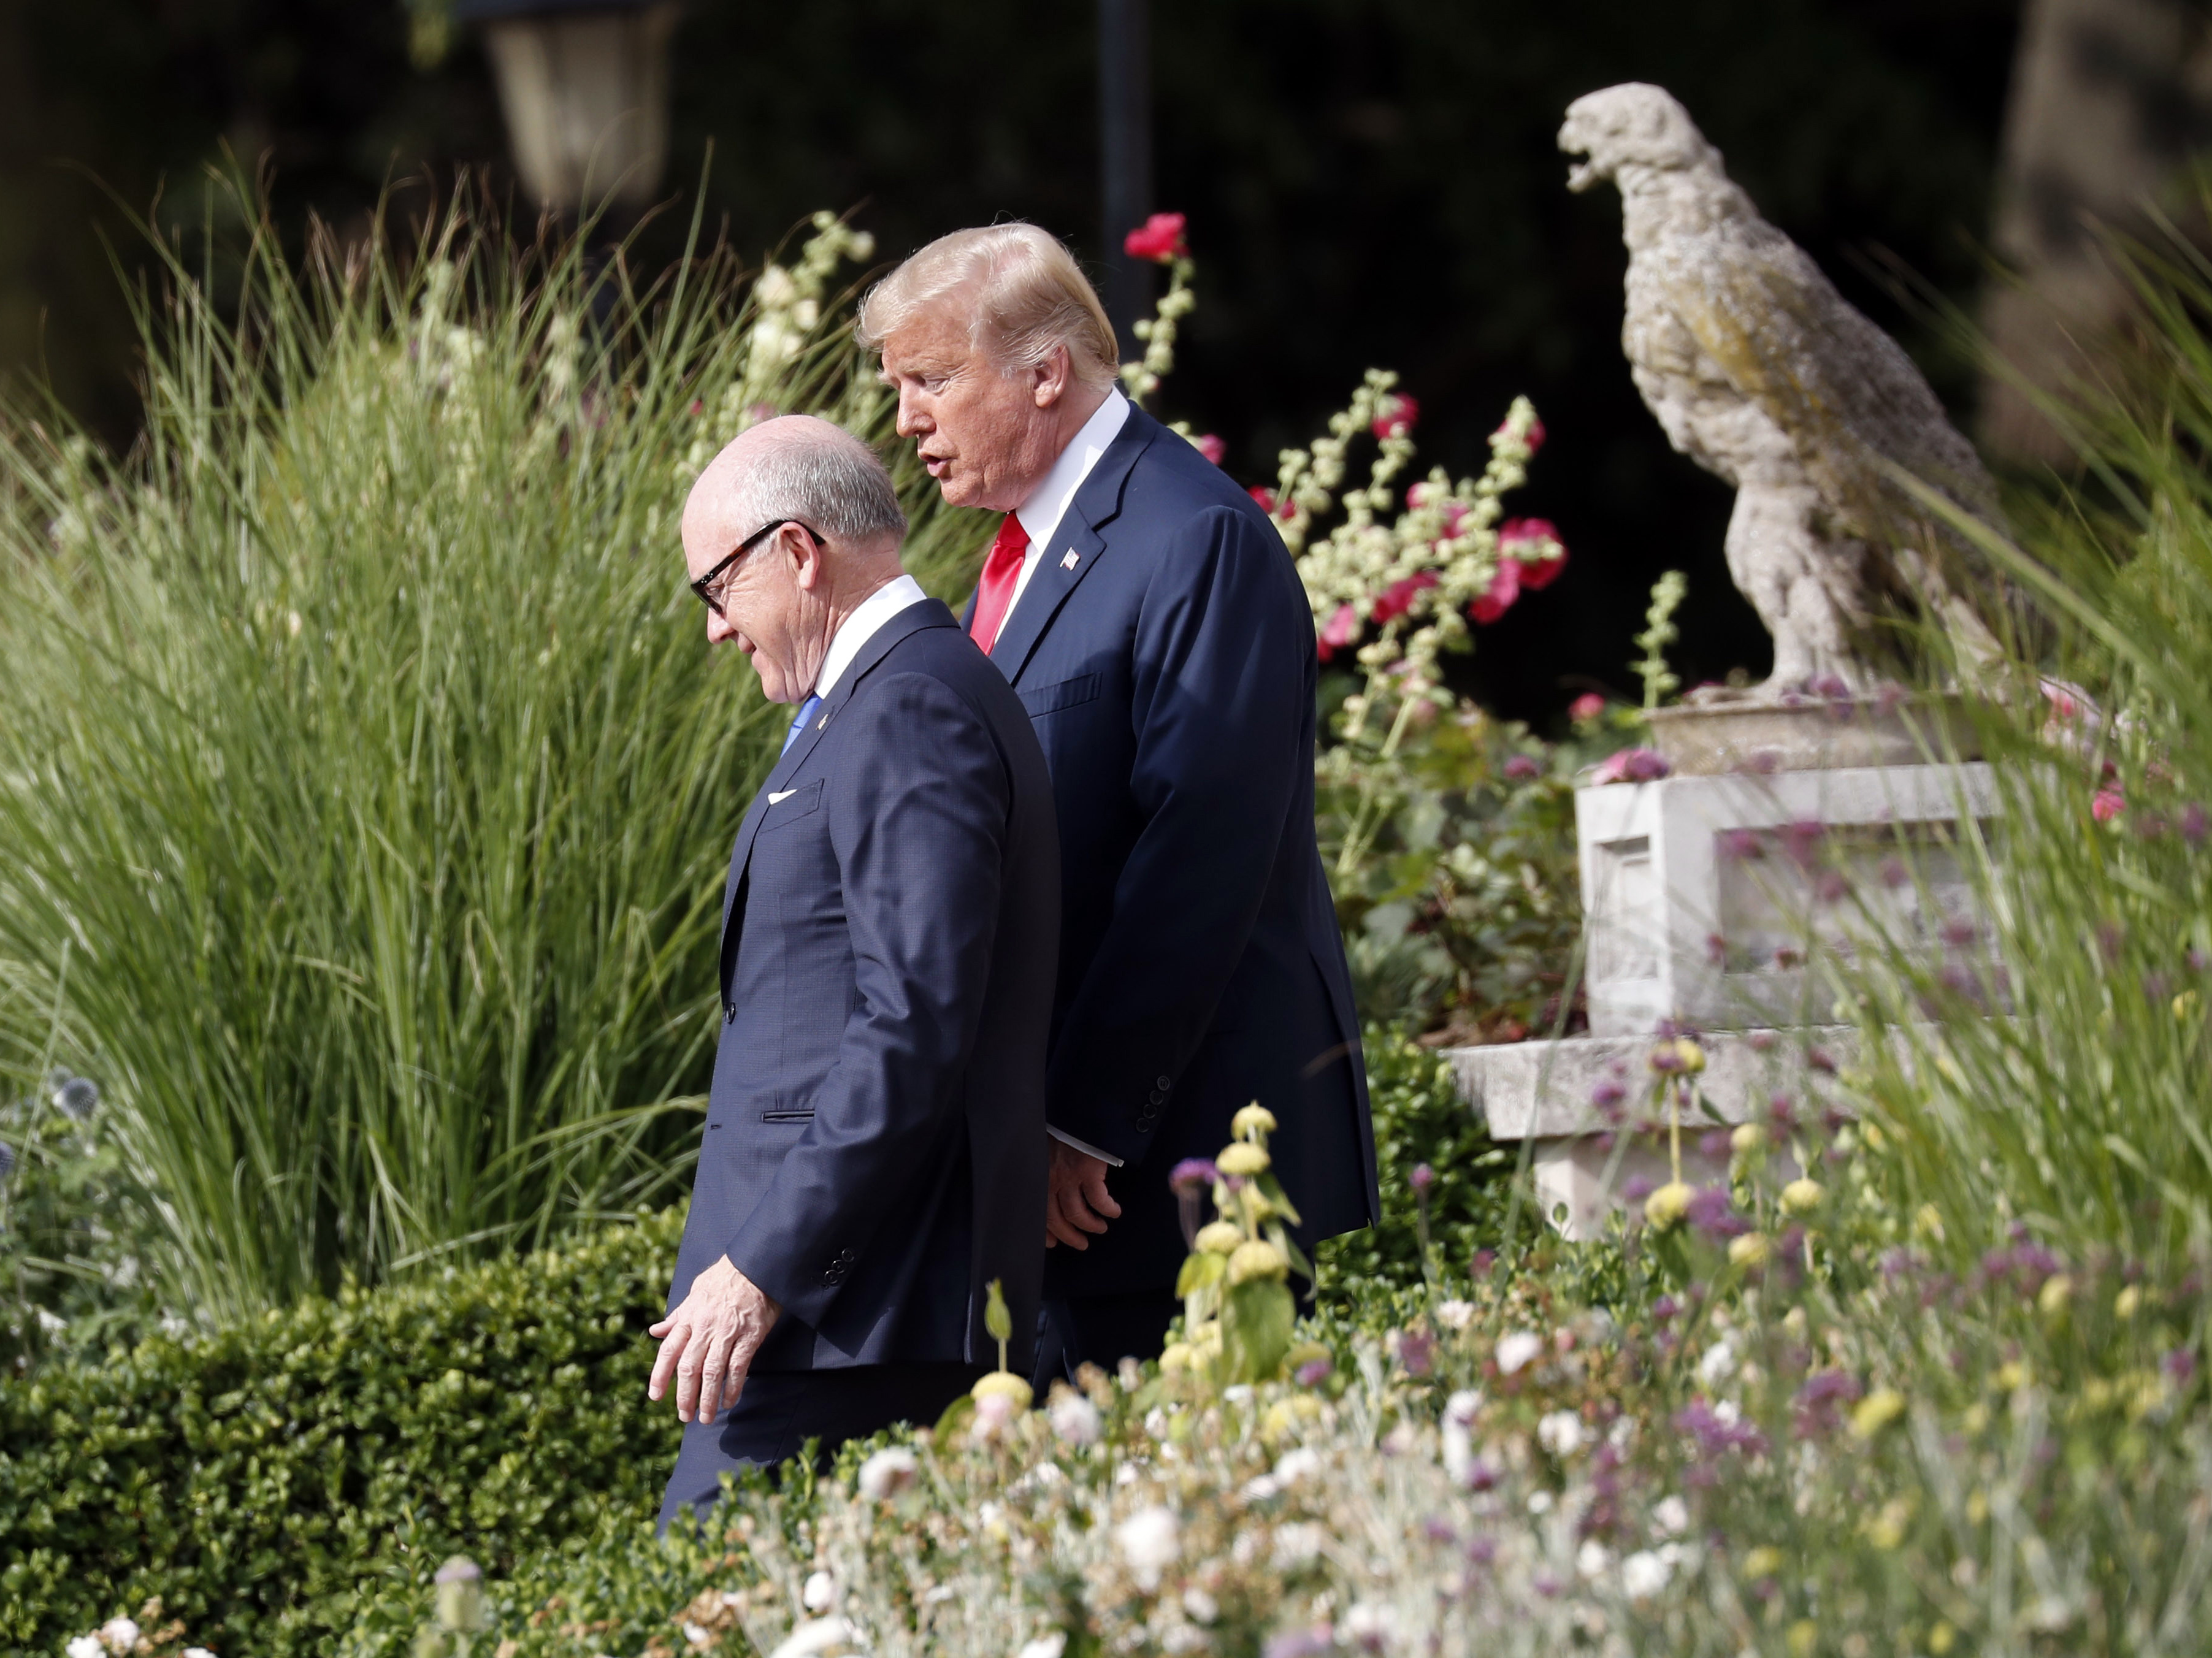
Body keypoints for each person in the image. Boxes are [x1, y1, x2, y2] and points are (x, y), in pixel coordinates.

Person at [857, 224, 1379, 1386]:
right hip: (1061, 1179)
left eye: (931, 381)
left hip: (1158, 1173)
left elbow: (1201, 853)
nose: (905, 422)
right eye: (898, 389)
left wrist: (1086, 1122)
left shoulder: (1194, 537)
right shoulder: (1033, 548)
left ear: (1046, 372)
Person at [652, 415, 1059, 1524]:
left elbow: (915, 1023)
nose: (715, 632)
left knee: (710, 1605)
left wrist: (763, 1270)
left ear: (797, 551)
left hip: (864, 1316)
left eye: (716, 590)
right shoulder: (885, 698)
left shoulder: (909, 703)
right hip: (850, 1315)